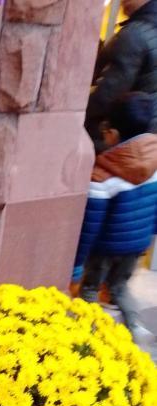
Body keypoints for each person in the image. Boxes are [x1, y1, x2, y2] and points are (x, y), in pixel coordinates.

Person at [74, 93, 157, 345]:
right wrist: (148, 239)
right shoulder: (154, 164)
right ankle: (136, 328)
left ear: (113, 134)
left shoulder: (103, 175)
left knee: (89, 290)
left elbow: (91, 227)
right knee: (119, 288)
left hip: (106, 248)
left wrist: (77, 265)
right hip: (136, 245)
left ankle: (85, 338)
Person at [86, 0, 157, 150]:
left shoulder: (134, 35)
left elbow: (106, 96)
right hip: (149, 145)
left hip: (124, 140)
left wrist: (75, 117)